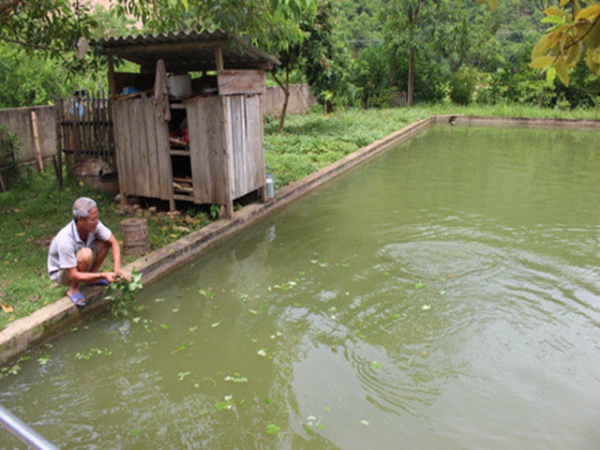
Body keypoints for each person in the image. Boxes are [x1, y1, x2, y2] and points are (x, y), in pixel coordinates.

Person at [47, 197, 131, 306]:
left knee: (105, 242)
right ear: (80, 220)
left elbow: (114, 242)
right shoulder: (65, 240)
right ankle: (73, 288)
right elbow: (73, 275)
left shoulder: (94, 225)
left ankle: (90, 279)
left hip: (78, 264)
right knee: (85, 255)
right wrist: (103, 275)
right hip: (63, 272)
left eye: (97, 218)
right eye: (93, 219)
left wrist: (117, 269)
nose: (97, 222)